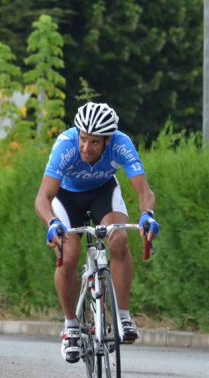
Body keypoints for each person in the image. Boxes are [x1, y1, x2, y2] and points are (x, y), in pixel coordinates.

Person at [35, 102, 159, 363]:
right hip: (67, 198)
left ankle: (122, 316)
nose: (85, 147)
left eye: (93, 142)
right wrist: (51, 222)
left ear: (107, 140)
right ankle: (71, 326)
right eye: (83, 139)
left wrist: (147, 214)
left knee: (119, 240)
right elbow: (43, 198)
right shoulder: (65, 145)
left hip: (103, 192)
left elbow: (145, 192)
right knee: (68, 256)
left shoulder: (121, 144)